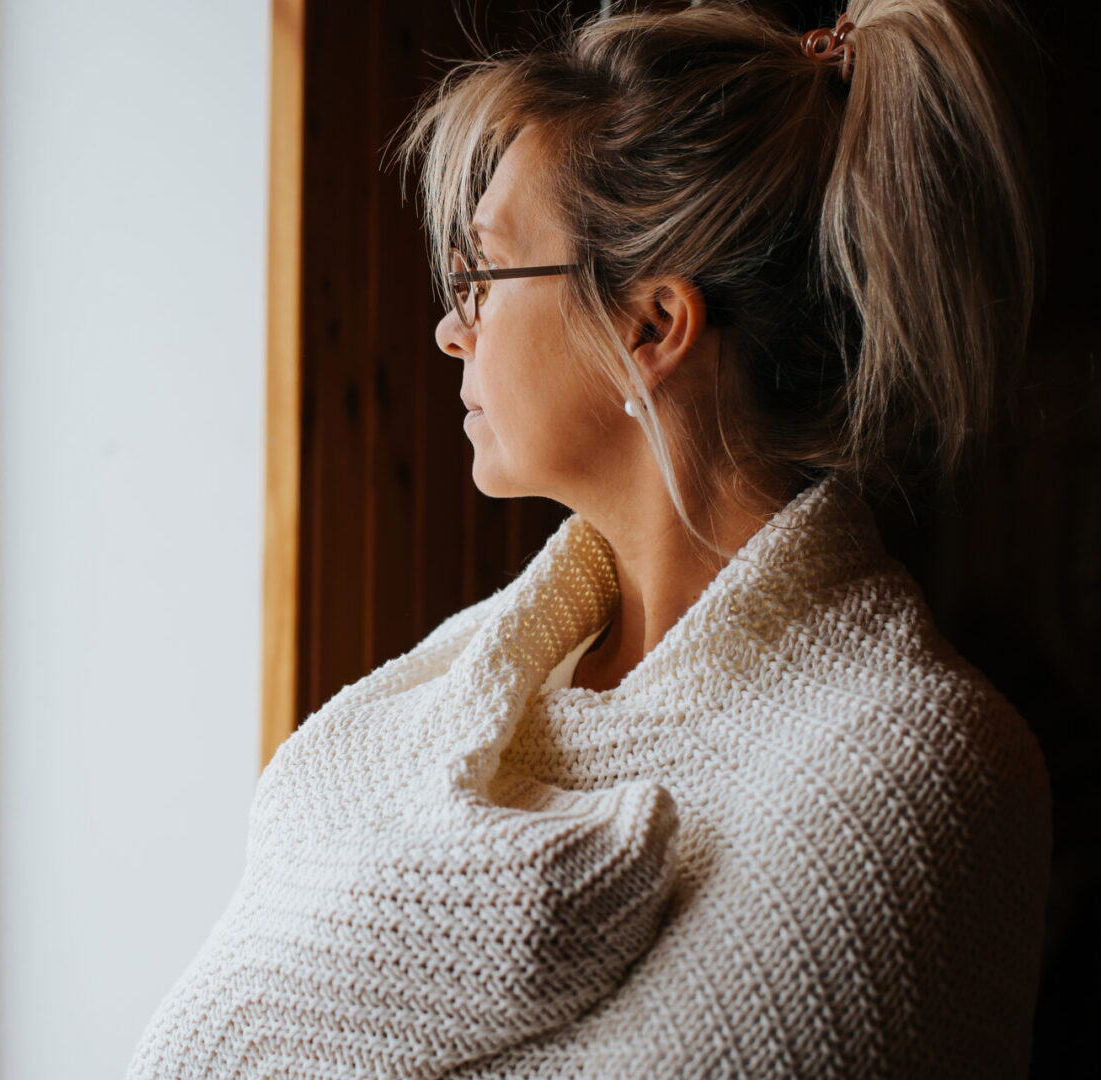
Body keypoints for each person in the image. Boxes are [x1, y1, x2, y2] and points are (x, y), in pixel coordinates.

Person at [127, 1, 1050, 1076]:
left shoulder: (914, 769)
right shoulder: (470, 673)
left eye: (487, 275)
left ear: (651, 327)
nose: (449, 326)